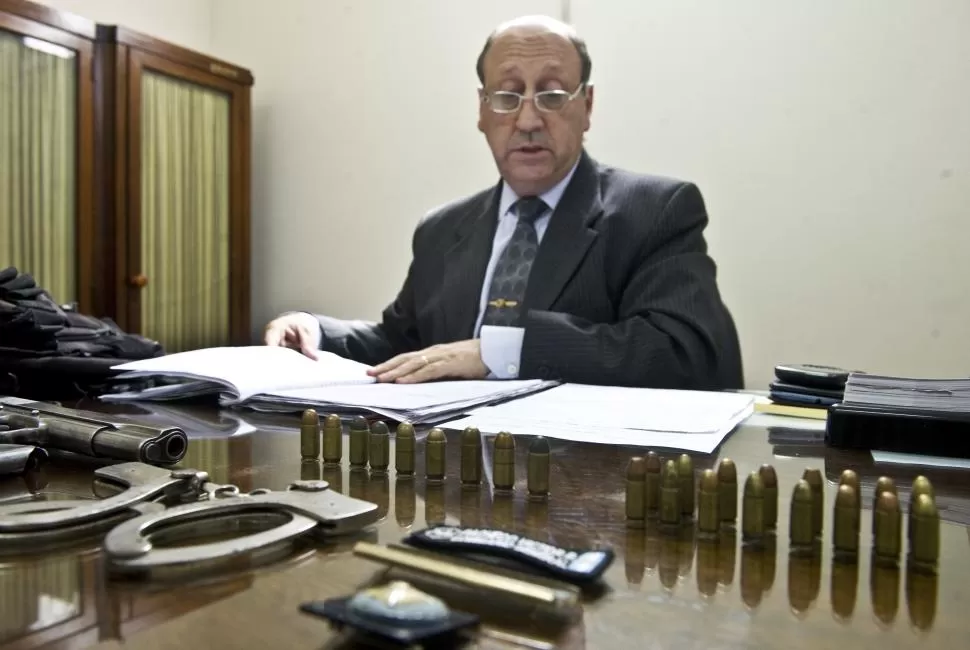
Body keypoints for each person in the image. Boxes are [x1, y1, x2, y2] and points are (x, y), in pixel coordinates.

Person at [264, 15, 743, 390]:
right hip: (452, 472)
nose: (529, 119)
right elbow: (405, 345)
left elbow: (684, 354)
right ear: (481, 109)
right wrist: (314, 330)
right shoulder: (441, 230)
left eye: (552, 95)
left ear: (587, 107)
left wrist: (499, 352)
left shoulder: (655, 211)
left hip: (588, 480)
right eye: (508, 96)